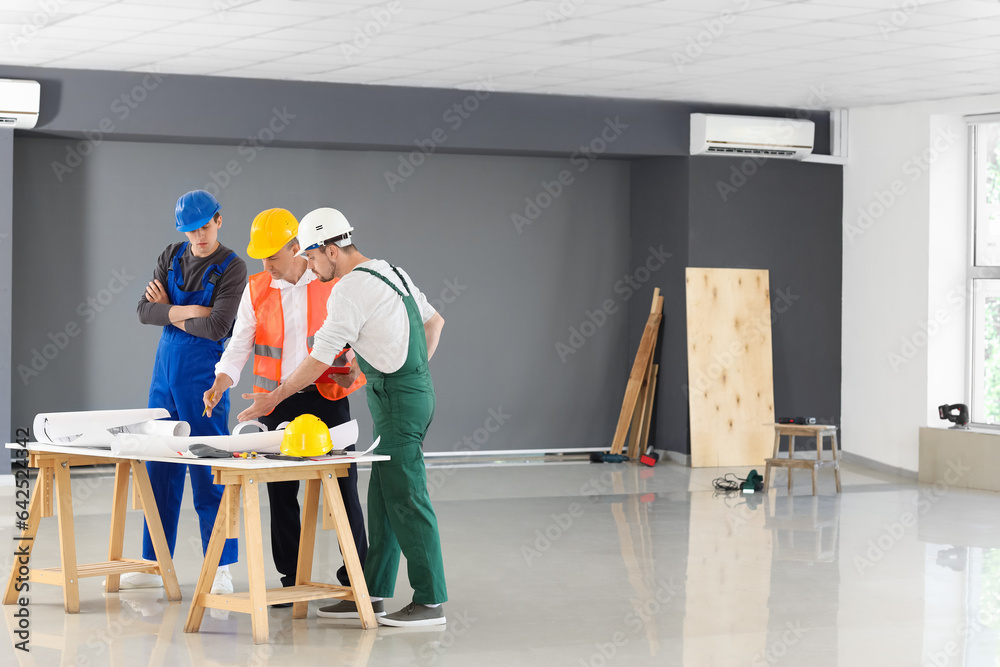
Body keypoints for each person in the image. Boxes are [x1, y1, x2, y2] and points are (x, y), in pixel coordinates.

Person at [238, 207, 447, 627]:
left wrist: (271, 399)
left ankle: (429, 602)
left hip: (400, 401)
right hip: (404, 393)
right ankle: (369, 593)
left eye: (313, 258)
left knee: (406, 497)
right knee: (383, 498)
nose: (311, 269)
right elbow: (434, 322)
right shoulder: (391, 271)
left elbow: (317, 360)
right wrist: (396, 367)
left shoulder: (348, 290)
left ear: (331, 250)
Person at [203, 208, 370, 611]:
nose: (267, 265)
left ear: (297, 248)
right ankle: (290, 579)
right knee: (280, 490)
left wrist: (353, 373)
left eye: (273, 257)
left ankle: (357, 578)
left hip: (326, 394)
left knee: (343, 485)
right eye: (261, 257)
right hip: (272, 402)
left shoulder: (334, 283)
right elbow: (240, 343)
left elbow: (362, 338)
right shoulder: (257, 287)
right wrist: (221, 380)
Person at [124, 189, 247, 594]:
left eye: (205, 227)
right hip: (164, 375)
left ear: (219, 220)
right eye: (191, 230)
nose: (198, 237)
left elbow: (218, 328)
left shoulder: (232, 267)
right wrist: (189, 311)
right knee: (158, 466)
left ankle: (222, 566)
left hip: (203, 376)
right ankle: (152, 561)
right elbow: (143, 312)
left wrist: (168, 312)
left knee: (209, 469)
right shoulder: (171, 255)